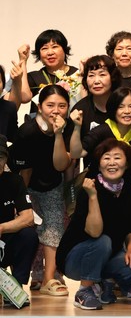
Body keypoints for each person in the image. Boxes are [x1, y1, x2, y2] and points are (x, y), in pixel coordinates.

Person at [57, 139, 131, 310]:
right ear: (99, 165)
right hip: (75, 258)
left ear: (127, 164)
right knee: (103, 241)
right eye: (106, 158)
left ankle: (104, 281)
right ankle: (84, 291)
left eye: (117, 158)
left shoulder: (130, 193)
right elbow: (94, 232)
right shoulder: (89, 189)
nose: (112, 162)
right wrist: (93, 196)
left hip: (106, 255)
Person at [9, 84, 73, 296]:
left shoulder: (67, 127)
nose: (56, 111)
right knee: (30, 228)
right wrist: (22, 200)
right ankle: (29, 277)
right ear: (39, 107)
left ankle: (49, 278)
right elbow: (23, 171)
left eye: (62, 106)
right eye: (50, 105)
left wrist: (58, 134)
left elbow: (61, 165)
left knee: (54, 227)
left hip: (53, 182)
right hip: (25, 184)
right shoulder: (27, 131)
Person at [71, 86, 131, 194]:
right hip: (97, 190)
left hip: (128, 190)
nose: (127, 111)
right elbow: (76, 153)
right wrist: (77, 127)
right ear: (113, 109)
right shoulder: (101, 131)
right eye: (121, 107)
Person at [0, 138, 38, 306]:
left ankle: (15, 287)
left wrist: (1, 228)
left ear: (6, 160)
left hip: (5, 241)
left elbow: (28, 218)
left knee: (28, 235)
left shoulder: (14, 181)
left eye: (0, 157)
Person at [14, 30, 81, 111]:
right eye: (44, 48)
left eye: (54, 47)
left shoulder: (78, 74)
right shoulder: (34, 77)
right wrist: (23, 60)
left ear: (64, 49)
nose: (50, 52)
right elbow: (24, 98)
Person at [70, 55, 123, 140]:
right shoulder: (80, 110)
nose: (96, 81)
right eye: (91, 75)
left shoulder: (124, 104)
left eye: (102, 74)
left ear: (112, 77)